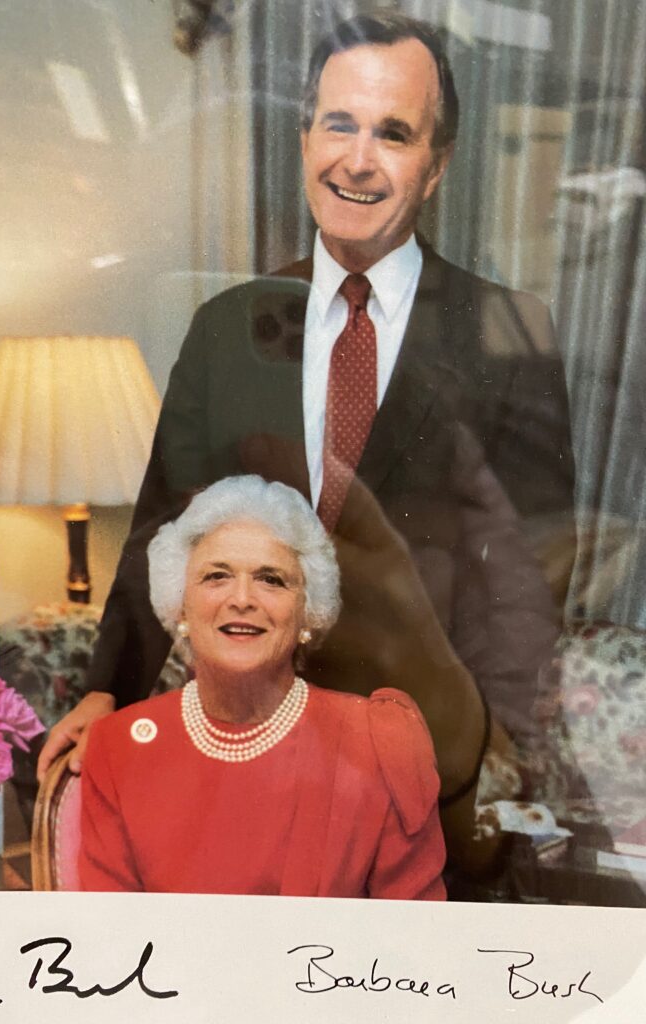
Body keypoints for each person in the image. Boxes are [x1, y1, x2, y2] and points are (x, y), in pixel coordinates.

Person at [40, 11, 575, 877]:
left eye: (394, 133)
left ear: (435, 167)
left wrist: (484, 742)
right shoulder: (228, 327)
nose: (358, 159)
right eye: (339, 123)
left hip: (422, 770)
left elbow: (533, 569)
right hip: (245, 747)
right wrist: (110, 683)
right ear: (303, 139)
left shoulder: (508, 334)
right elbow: (159, 525)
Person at [79, 475, 446, 898]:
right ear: (180, 605)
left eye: (271, 579)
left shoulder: (380, 741)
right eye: (216, 576)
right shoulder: (116, 748)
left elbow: (414, 938)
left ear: (307, 612)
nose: (242, 599)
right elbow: (110, 939)